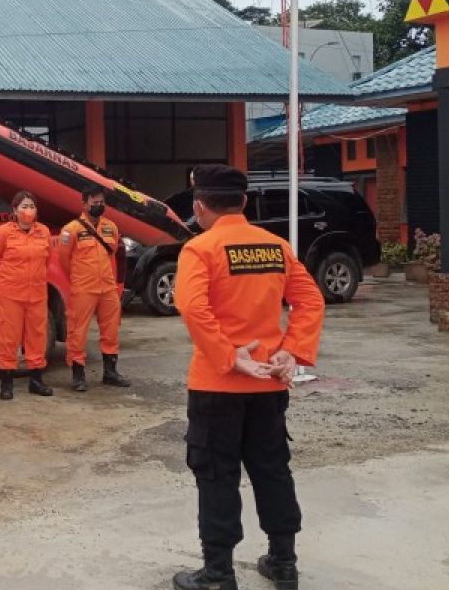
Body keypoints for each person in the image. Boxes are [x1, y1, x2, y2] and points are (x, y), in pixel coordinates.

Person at [171, 165, 324, 590]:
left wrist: (227, 354)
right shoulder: (274, 246)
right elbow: (310, 300)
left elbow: (191, 306)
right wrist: (291, 350)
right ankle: (283, 562)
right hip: (269, 383)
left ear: (199, 206)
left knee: (217, 475)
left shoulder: (200, 249)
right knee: (272, 469)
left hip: (217, 384)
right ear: (243, 202)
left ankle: (218, 574)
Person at [56, 186, 130, 391]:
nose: (99, 206)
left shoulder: (111, 227)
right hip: (83, 288)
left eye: (101, 202)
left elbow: (112, 250)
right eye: (94, 202)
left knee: (111, 329)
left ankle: (110, 372)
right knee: (77, 331)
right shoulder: (71, 230)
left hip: (107, 287)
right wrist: (79, 277)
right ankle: (78, 375)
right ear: (84, 204)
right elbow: (63, 259)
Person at [0, 190, 54, 400]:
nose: (28, 211)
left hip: (37, 293)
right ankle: (7, 382)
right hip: (10, 294)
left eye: (31, 206)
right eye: (24, 206)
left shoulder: (43, 232)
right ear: (14, 210)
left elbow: (47, 260)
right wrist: (9, 282)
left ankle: (36, 380)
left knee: (37, 336)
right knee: (8, 337)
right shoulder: (2, 233)